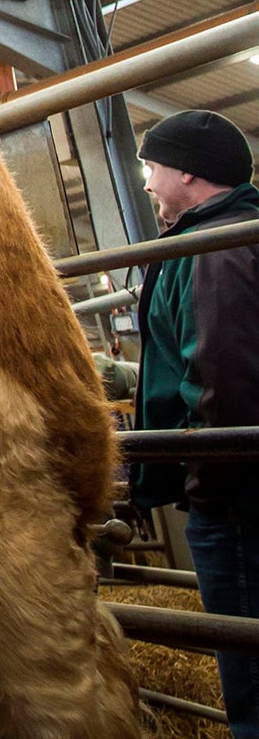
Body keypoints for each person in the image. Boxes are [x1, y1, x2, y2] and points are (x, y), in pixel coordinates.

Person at [133, 107, 259, 736]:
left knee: (250, 675)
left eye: (152, 165)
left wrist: (210, 493)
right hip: (237, 489)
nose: (149, 181)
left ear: (188, 171)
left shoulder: (217, 248)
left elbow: (225, 379)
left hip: (236, 500)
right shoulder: (222, 235)